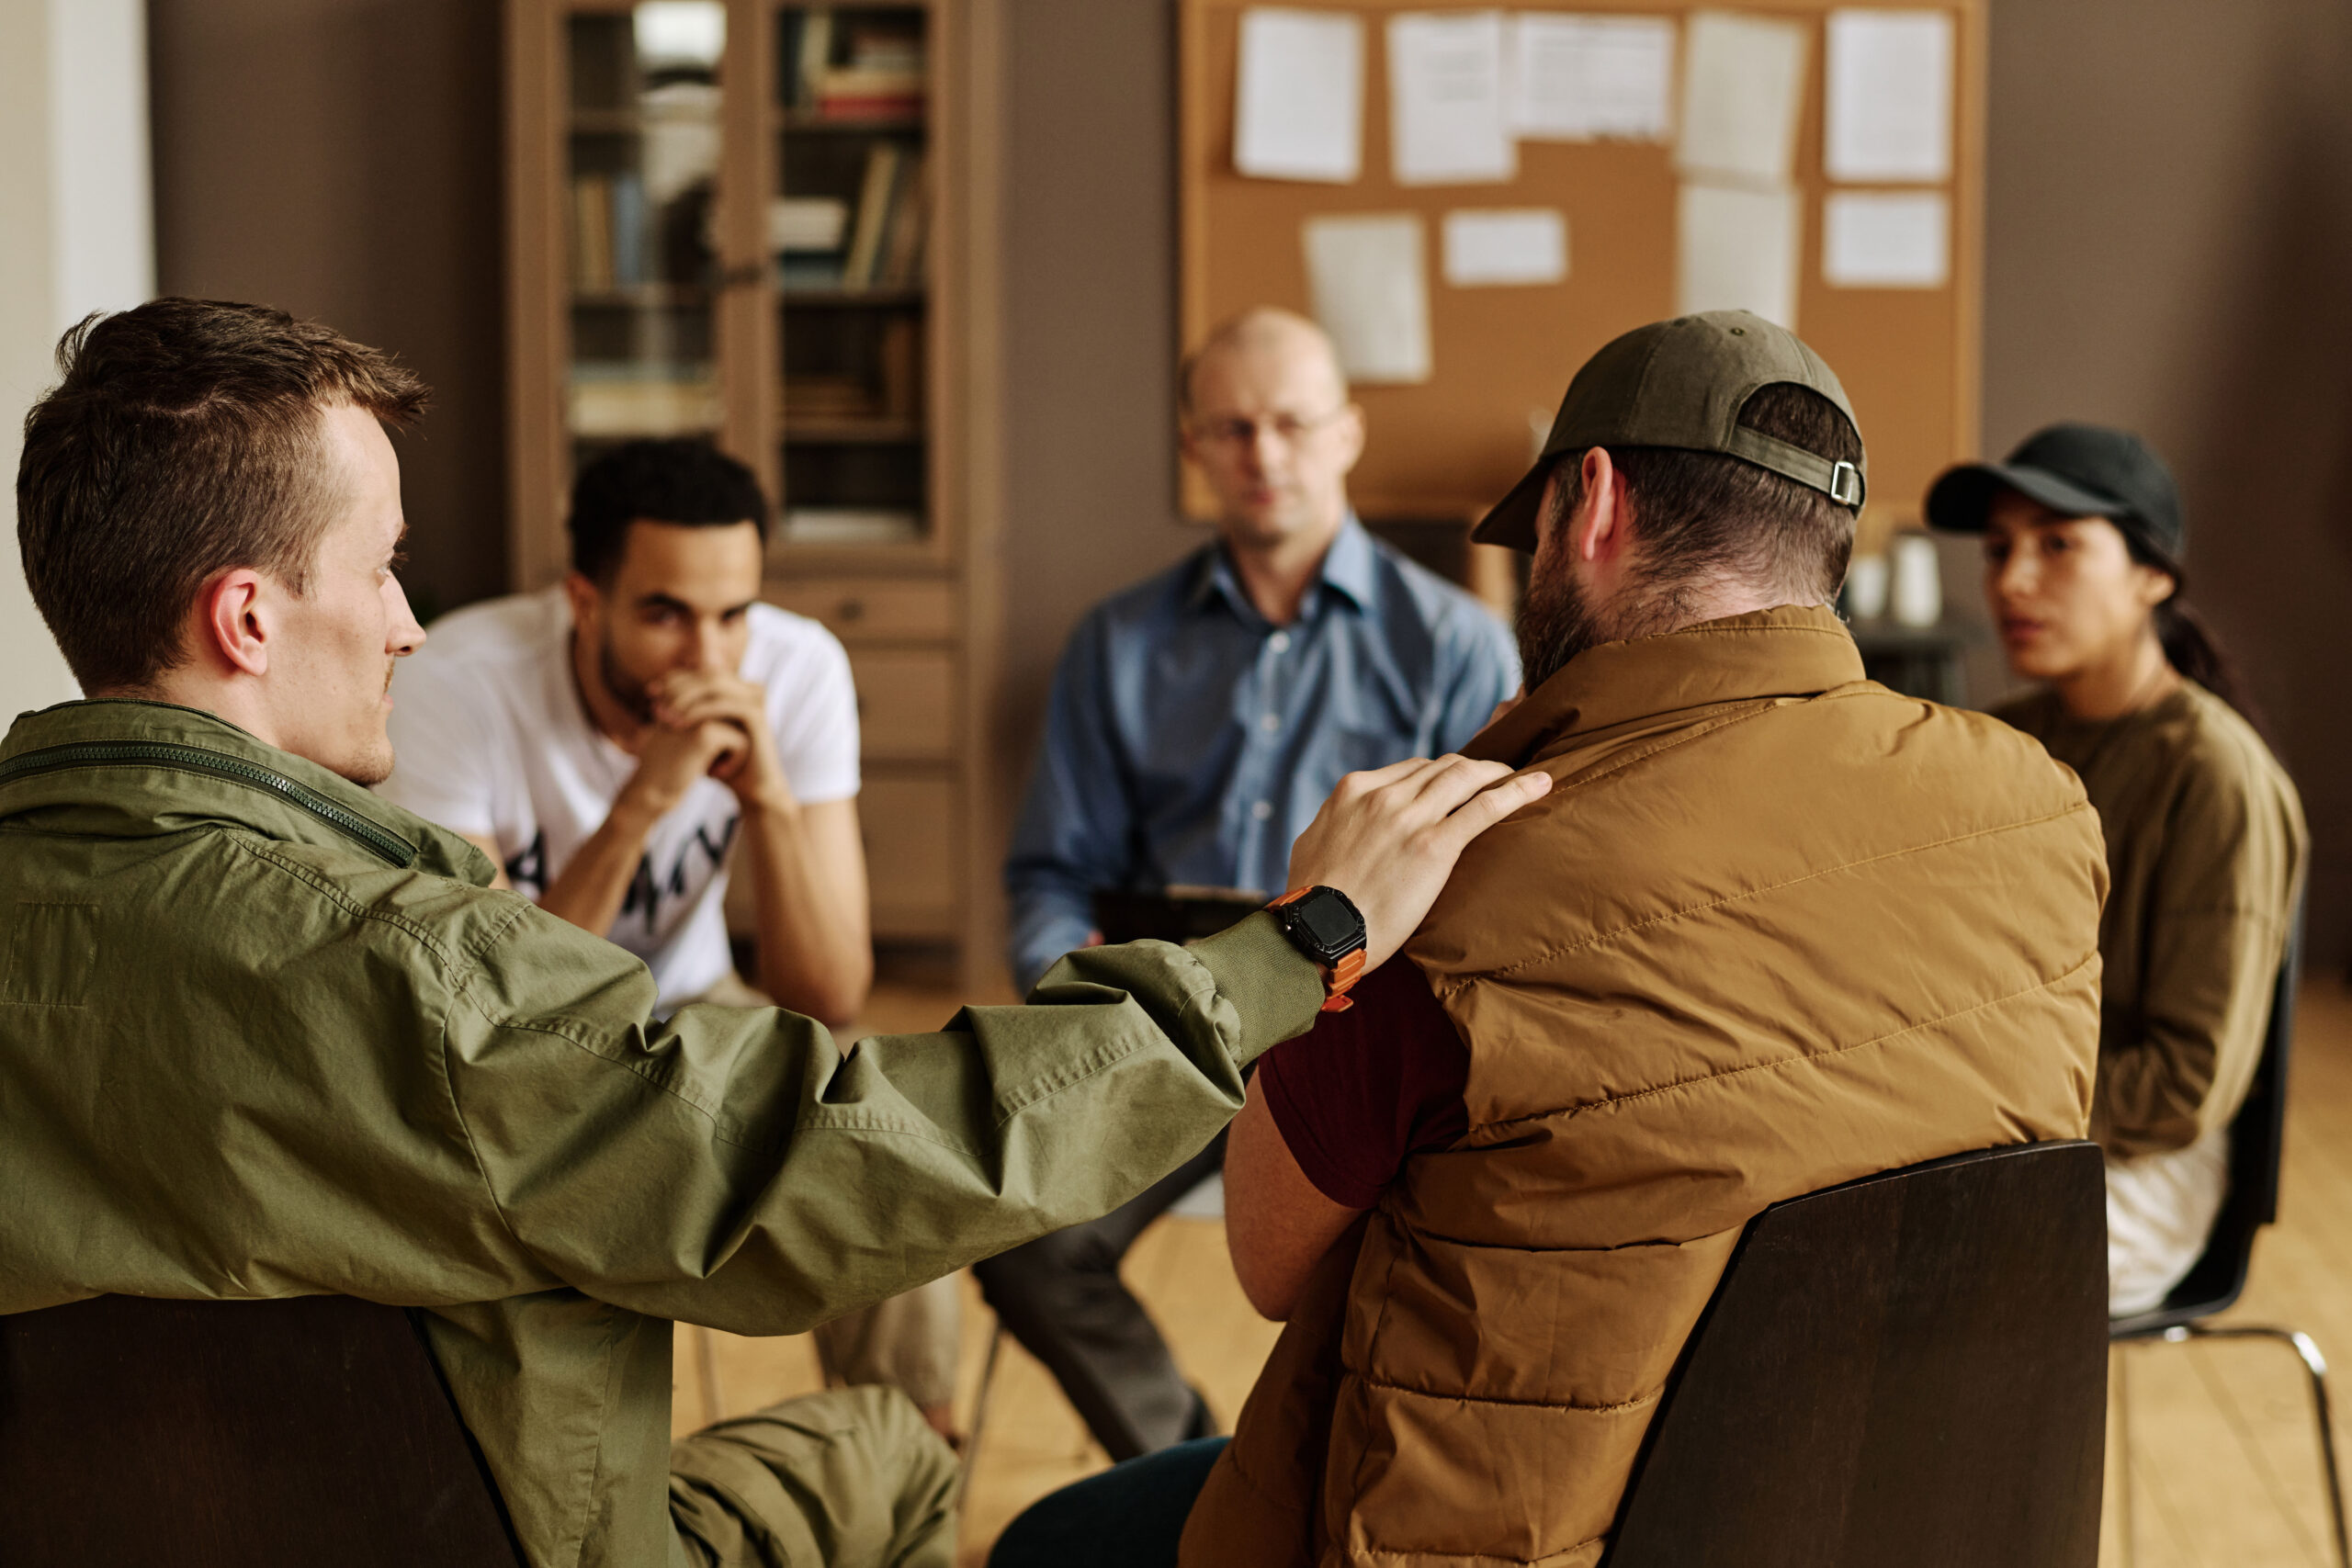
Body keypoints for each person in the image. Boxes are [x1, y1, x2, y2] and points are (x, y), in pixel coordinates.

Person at [0, 297, 1552, 1568]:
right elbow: (844, 1148)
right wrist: (1304, 940)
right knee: (881, 1448)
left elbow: (822, 992)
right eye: (381, 563)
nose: (406, 615)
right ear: (248, 617)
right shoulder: (416, 972)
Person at [987, 310, 2109, 1568]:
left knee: (1051, 1543)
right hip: (1885, 1512)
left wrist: (1317, 930)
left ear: (1592, 505)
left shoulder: (1452, 888)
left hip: (1532, 1530)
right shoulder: (2045, 808)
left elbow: (1268, 1260)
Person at [989, 307, 1520, 1461]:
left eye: (1290, 422)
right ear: (1192, 447)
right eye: (1231, 428)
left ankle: (1331, 1484)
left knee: (1415, 1250)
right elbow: (1051, 871)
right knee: (1022, 1239)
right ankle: (1194, 1473)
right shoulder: (1115, 645)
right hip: (1164, 1021)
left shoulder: (1458, 648)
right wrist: (1076, 1018)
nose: (1263, 455)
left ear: (1347, 434)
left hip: (1357, 1025)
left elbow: (1484, 899)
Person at [377, 438, 952, 1436]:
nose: (709, 658)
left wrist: (771, 799)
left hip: (692, 1005)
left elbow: (827, 996)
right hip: (514, 1054)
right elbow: (500, 1003)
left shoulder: (798, 666)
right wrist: (645, 800)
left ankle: (910, 1473)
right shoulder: (458, 685)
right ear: (585, 600)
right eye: (665, 615)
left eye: (733, 614)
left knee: (876, 1137)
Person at [1924, 423, 2307, 1316]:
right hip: (2010, 1121)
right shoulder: (2009, 740)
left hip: (2145, 1161)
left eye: (2057, 545)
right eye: (1998, 550)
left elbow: (2183, 1087)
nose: (2011, 580)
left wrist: (1980, 1097)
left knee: (1899, 1273)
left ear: (2152, 575)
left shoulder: (2215, 776)